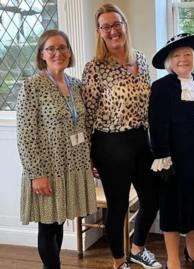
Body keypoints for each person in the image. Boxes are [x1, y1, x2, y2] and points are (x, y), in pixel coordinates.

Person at [81, 4, 161, 269]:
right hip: (110, 145)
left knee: (152, 198)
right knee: (117, 208)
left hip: (141, 140)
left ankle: (137, 248)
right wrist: (89, 153)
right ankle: (119, 262)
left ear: (125, 25)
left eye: (117, 24)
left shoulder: (141, 58)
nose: (113, 31)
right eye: (106, 26)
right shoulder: (94, 68)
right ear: (99, 32)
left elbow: (149, 105)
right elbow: (87, 116)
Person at [16, 29, 97, 269]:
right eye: (50, 48)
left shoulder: (76, 85)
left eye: (62, 47)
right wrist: (36, 174)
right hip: (48, 169)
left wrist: (90, 158)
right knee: (48, 225)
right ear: (42, 54)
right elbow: (26, 135)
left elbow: (84, 124)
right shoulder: (31, 87)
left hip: (73, 166)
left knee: (59, 220)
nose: (57, 53)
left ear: (69, 52)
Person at [149, 33, 194, 269]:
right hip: (176, 160)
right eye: (177, 55)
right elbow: (157, 124)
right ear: (170, 61)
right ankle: (172, 260)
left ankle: (192, 251)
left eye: (187, 54)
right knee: (173, 208)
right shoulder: (162, 87)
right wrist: (163, 156)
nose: (183, 59)